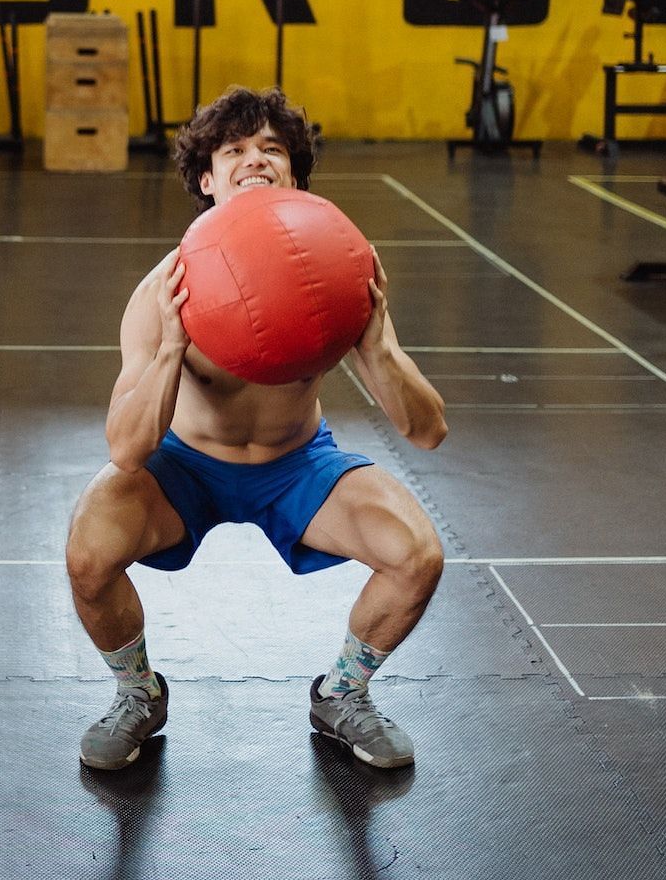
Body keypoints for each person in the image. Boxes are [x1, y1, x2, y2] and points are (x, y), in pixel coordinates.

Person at [67, 86, 448, 771]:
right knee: (88, 553)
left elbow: (427, 432)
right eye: (234, 150)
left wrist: (378, 348)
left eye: (272, 148)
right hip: (185, 465)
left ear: (295, 176)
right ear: (205, 180)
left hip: (297, 463)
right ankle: (137, 693)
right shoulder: (162, 294)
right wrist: (170, 350)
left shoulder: (337, 275)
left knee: (417, 554)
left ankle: (343, 693)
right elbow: (126, 449)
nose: (255, 160)